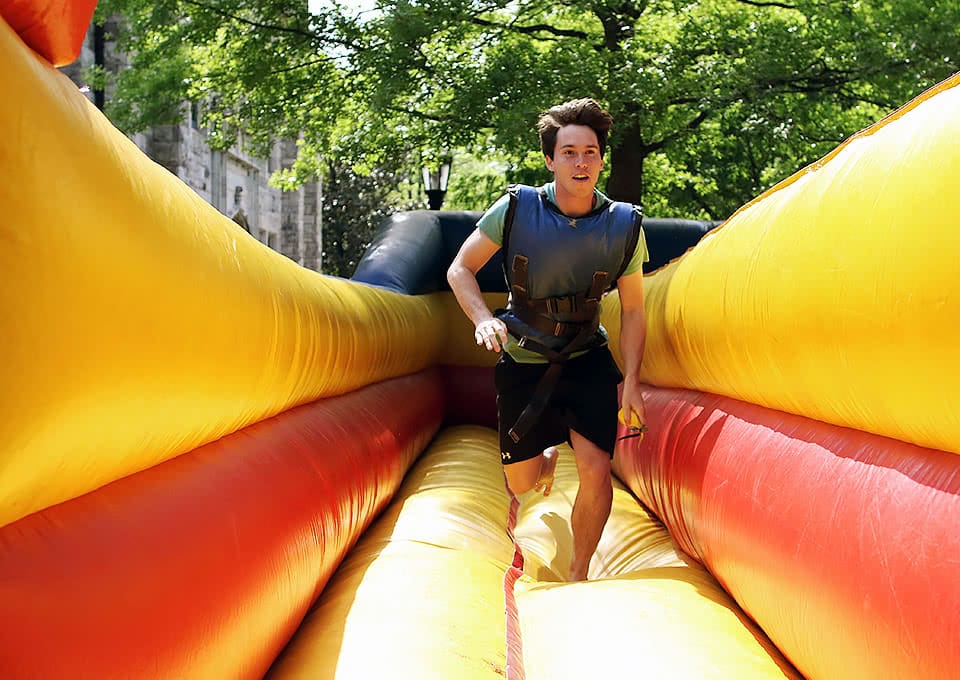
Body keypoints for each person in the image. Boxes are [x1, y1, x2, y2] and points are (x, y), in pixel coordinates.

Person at [446, 98, 649, 581]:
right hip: (525, 356)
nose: (581, 163)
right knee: (521, 482)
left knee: (598, 467)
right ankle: (545, 457)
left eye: (591, 153)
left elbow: (636, 309)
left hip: (586, 356)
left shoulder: (625, 224)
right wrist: (481, 319)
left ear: (601, 159)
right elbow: (460, 270)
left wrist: (635, 381)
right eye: (570, 152)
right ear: (550, 160)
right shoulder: (515, 209)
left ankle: (579, 572)